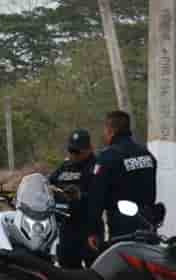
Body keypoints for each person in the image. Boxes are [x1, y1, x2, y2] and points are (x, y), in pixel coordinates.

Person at [86, 111, 158, 251]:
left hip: (122, 228)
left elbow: (96, 198)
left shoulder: (108, 157)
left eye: (105, 130)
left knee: (125, 270)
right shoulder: (147, 154)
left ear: (110, 130)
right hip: (147, 222)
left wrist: (93, 231)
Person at [48, 129, 99, 268]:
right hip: (67, 226)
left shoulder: (97, 166)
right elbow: (48, 183)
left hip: (89, 227)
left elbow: (100, 196)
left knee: (94, 270)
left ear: (89, 149)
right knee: (67, 270)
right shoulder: (65, 166)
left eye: (77, 151)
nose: (73, 154)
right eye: (71, 150)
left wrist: (80, 195)